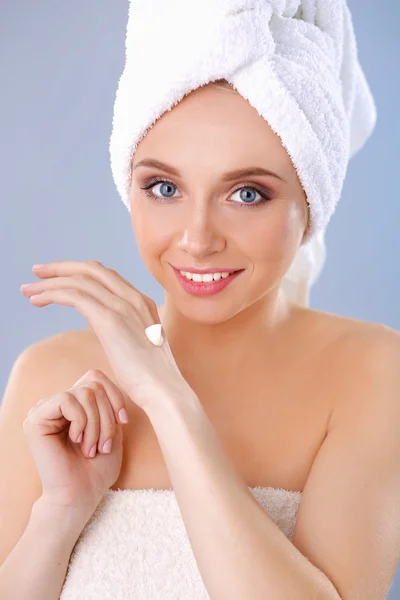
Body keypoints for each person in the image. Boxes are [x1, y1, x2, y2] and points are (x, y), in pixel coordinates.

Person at [1, 3, 400, 600]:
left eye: (246, 193)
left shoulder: (374, 373)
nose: (196, 239)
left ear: (312, 201)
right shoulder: (49, 378)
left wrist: (168, 398)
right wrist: (61, 511)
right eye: (164, 187)